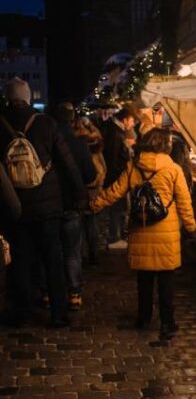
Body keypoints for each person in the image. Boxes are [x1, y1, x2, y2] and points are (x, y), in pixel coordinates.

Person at [91, 128, 196, 339]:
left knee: (144, 280)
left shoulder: (133, 167)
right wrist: (191, 227)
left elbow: (115, 191)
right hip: (166, 233)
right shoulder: (173, 169)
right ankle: (167, 323)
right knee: (166, 282)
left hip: (141, 229)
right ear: (165, 146)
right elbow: (184, 202)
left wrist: (95, 204)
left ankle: (144, 318)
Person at [0, 78, 87, 327]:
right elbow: (67, 162)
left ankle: (22, 310)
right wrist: (79, 194)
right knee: (53, 258)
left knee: (20, 260)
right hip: (48, 205)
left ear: (8, 98)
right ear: (28, 98)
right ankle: (58, 313)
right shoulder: (47, 123)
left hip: (14, 205)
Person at [51, 103, 97, 310]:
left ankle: (47, 292)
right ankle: (74, 293)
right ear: (73, 119)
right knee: (72, 251)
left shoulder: (46, 140)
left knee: (52, 250)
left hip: (50, 204)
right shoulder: (79, 144)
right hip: (72, 203)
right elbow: (90, 175)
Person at [101, 105, 138, 249]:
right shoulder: (116, 134)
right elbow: (113, 158)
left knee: (118, 208)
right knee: (116, 208)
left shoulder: (115, 131)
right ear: (125, 119)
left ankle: (116, 236)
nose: (133, 124)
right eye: (132, 120)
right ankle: (114, 238)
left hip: (115, 176)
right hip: (115, 177)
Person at [73, 115, 107, 265]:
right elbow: (102, 171)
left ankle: (85, 254)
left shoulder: (79, 146)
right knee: (91, 224)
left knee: (83, 225)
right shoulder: (96, 150)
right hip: (92, 191)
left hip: (84, 190)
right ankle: (92, 253)